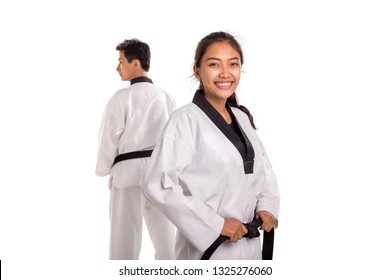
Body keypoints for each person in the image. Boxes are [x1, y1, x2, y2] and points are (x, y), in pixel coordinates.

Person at [142, 31, 280, 260]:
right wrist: (216, 225)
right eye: (214, 64)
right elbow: (157, 183)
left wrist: (267, 207)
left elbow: (263, 170)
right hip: (211, 250)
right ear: (198, 71)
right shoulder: (185, 120)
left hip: (250, 248)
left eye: (233, 64)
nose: (225, 73)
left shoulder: (242, 118)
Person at [95, 39, 176, 260]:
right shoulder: (166, 97)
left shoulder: (121, 97)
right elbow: (174, 140)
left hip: (128, 175)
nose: (117, 67)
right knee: (166, 240)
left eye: (121, 61)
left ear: (135, 64)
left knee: (124, 242)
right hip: (159, 174)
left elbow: (108, 138)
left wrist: (104, 169)